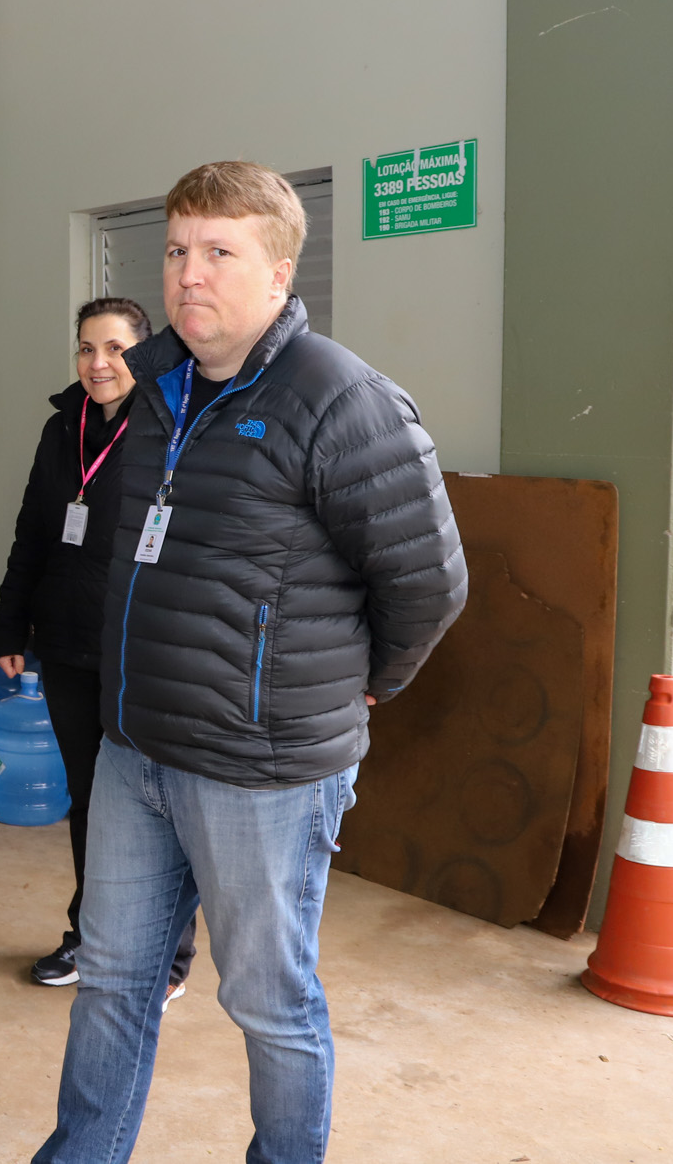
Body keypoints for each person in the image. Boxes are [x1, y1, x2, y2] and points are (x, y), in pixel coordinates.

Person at [35, 163, 467, 1164]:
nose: (189, 274)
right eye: (177, 250)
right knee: (110, 979)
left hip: (261, 769)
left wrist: (366, 682)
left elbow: (428, 584)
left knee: (267, 1002)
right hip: (135, 749)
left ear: (276, 271)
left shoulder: (341, 400)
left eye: (217, 252)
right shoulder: (152, 394)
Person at [0, 298, 198, 995]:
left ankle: (167, 956)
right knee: (90, 799)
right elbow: (32, 533)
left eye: (114, 348)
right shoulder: (61, 430)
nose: (98, 363)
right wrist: (10, 625)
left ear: (143, 355)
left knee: (155, 802)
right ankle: (89, 934)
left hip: (141, 645)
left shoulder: (168, 427)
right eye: (86, 348)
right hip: (69, 642)